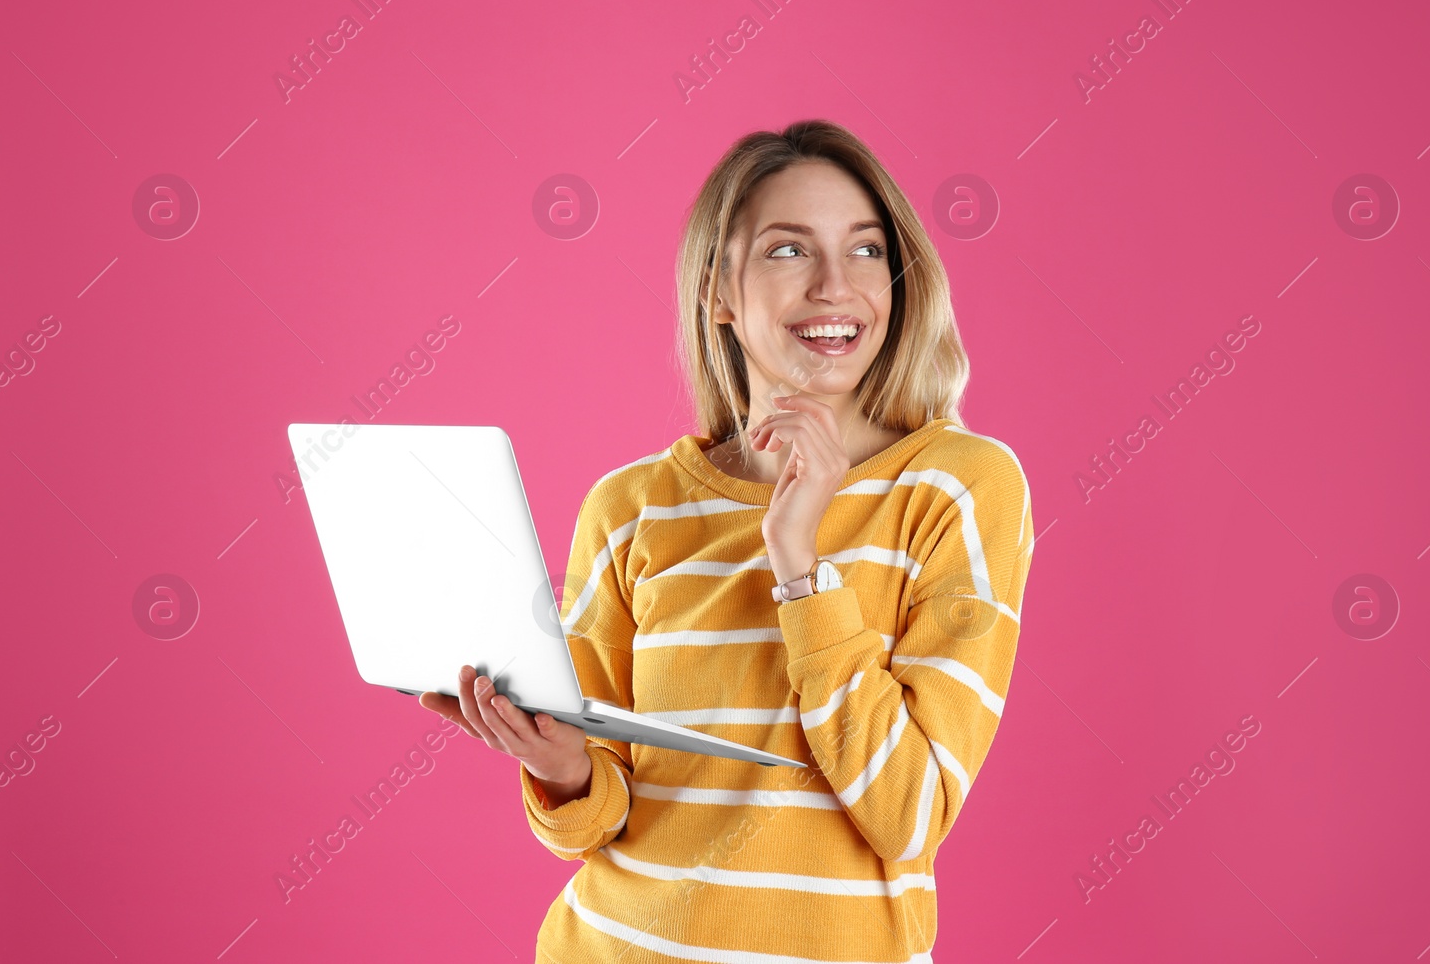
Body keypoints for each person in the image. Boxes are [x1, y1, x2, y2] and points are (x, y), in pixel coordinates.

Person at [419, 119, 1034, 962]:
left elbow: (909, 812)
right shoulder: (632, 506)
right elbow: (598, 816)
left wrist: (801, 567)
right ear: (718, 292)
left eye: (863, 250)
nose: (834, 286)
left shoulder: (958, 487)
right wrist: (560, 766)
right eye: (788, 251)